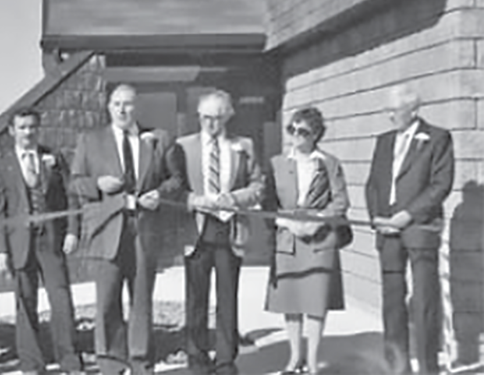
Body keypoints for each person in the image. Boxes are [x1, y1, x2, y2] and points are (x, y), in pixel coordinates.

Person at [70, 83, 186, 375]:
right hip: (107, 229)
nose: (122, 109)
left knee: (142, 299)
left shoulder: (157, 139)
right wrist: (97, 185)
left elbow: (176, 180)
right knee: (107, 299)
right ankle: (110, 363)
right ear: (108, 107)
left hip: (144, 228)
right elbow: (74, 182)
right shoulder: (91, 140)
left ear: (137, 106)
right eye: (117, 103)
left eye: (128, 103)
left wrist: (160, 193)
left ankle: (140, 362)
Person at [365, 85, 454, 375]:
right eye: (386, 110)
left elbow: (440, 185)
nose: (389, 116)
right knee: (392, 302)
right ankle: (397, 367)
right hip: (387, 231)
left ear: (413, 111)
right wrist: (377, 217)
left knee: (424, 301)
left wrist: (408, 215)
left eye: (394, 110)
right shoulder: (383, 141)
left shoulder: (437, 138)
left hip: (419, 229)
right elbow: (373, 184)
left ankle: (429, 367)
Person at [177, 90, 264, 375]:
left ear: (227, 116)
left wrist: (237, 198)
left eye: (216, 118)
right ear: (198, 117)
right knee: (195, 300)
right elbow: (174, 187)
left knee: (227, 299)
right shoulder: (183, 146)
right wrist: (192, 199)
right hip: (196, 231)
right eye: (205, 118)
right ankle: (197, 359)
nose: (211, 124)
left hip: (229, 230)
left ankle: (226, 361)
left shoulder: (243, 146)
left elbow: (258, 186)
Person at [0, 107, 83, 375]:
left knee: (62, 299)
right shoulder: (3, 164)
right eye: (22, 127)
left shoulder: (53, 157)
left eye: (32, 127)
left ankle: (69, 360)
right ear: (12, 131)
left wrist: (72, 231)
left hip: (52, 240)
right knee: (25, 302)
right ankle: (32, 363)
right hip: (20, 243)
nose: (27, 132)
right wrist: (0, 251)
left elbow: (72, 196)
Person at [263, 107, 349, 375]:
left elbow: (341, 201)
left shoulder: (329, 163)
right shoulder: (277, 163)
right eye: (292, 129)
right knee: (290, 299)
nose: (296, 136)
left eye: (303, 132)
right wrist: (287, 223)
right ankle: (294, 357)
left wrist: (317, 221)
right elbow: (268, 203)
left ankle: (312, 360)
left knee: (314, 300)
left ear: (316, 135)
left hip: (319, 239)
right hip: (288, 237)